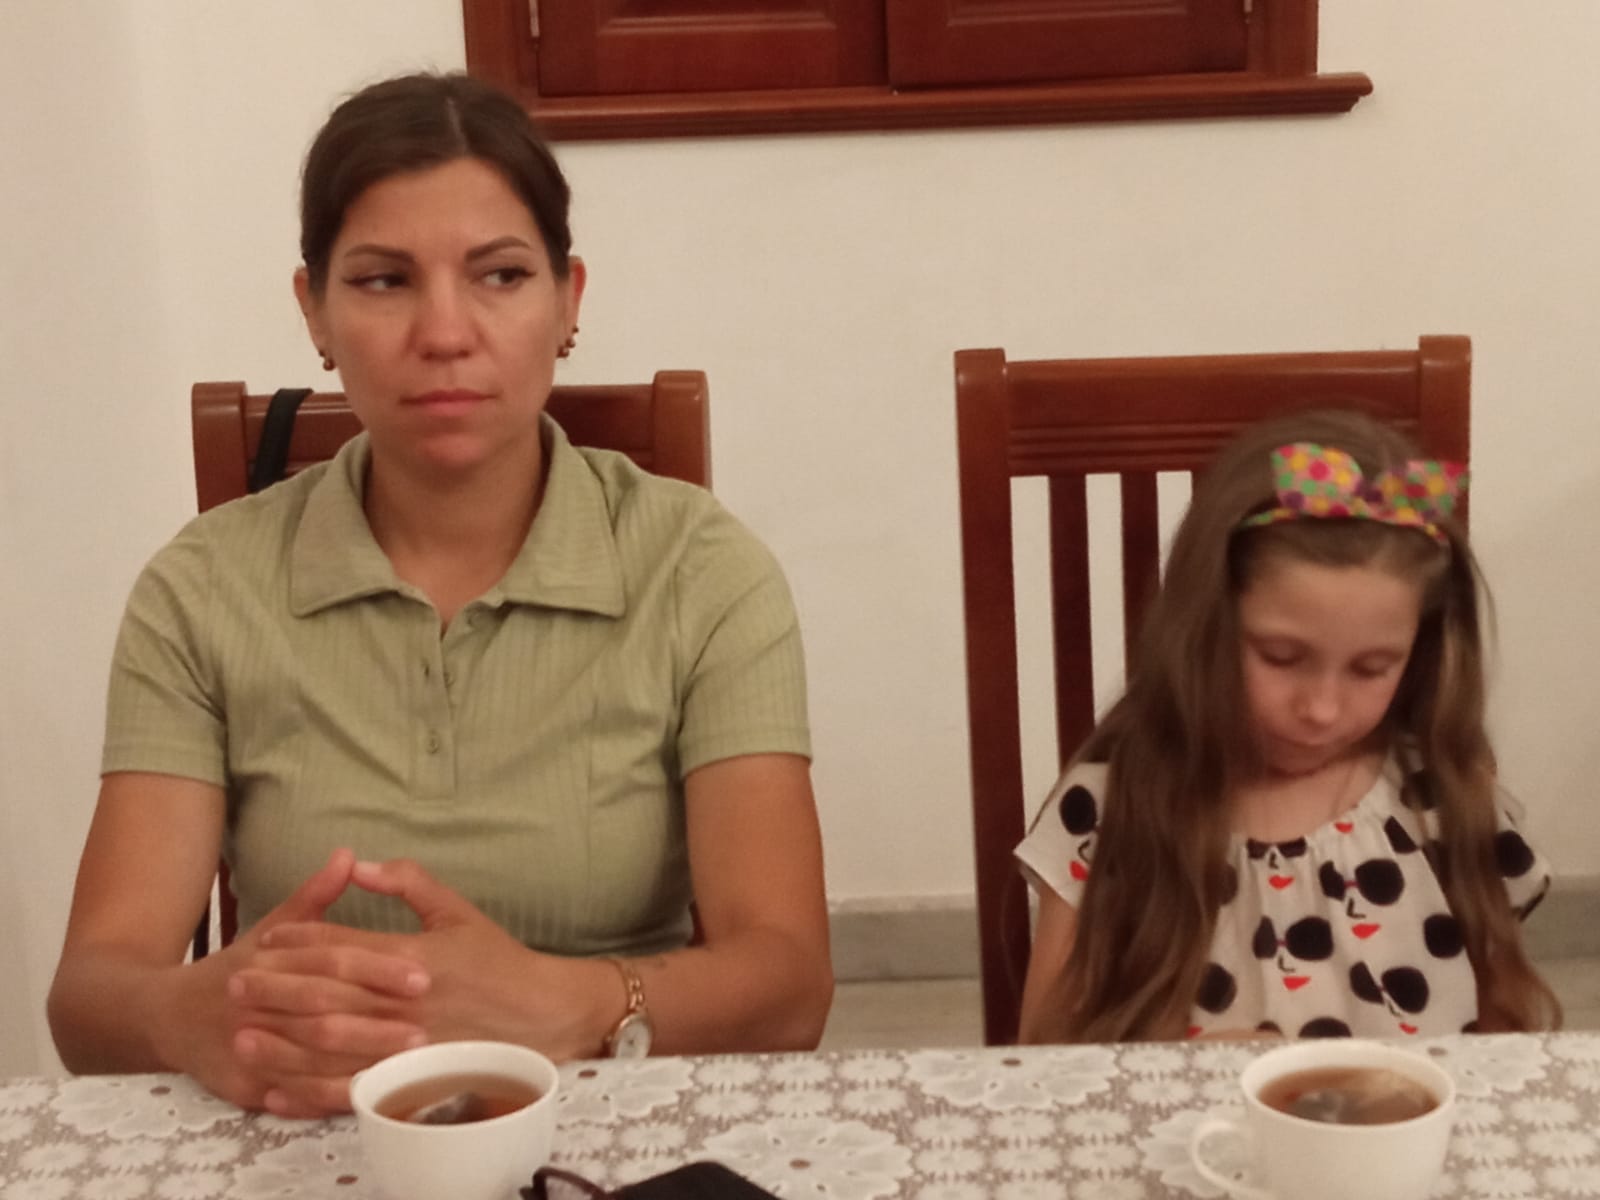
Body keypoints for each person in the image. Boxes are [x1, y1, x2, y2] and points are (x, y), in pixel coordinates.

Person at [48, 71, 832, 1115]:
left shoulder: (703, 572)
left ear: (569, 300)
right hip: (303, 1123)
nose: (446, 332)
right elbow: (90, 995)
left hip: (608, 1118)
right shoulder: (200, 590)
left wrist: (575, 1002)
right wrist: (180, 1014)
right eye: (383, 280)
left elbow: (789, 984)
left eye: (500, 275)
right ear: (314, 311)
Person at [1015, 408, 1559, 1043]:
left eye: (1371, 668)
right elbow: (1046, 1052)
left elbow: (1504, 1043)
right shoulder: (1114, 805)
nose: (1321, 708)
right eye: (1280, 657)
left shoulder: (1445, 796)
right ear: (1204, 627)